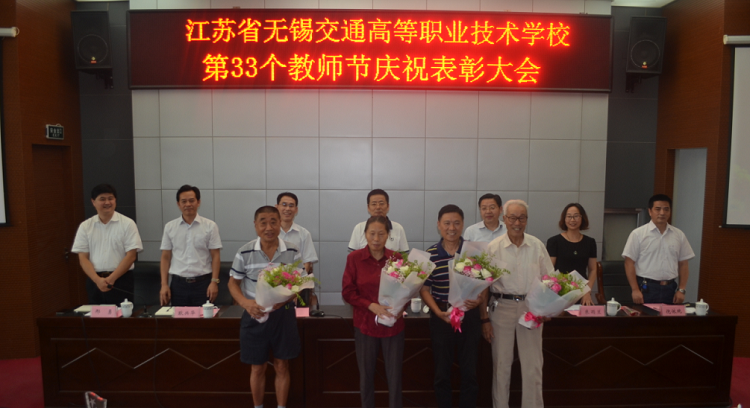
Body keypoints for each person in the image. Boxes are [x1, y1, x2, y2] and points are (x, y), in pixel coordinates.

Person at [228, 206, 302, 408]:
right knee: (257, 367)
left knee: (282, 365)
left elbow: (299, 284)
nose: (268, 227)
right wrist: (245, 303)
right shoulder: (244, 251)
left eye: (273, 222)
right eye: (263, 222)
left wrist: (285, 299)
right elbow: (232, 283)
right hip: (255, 314)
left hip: (283, 314)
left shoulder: (292, 251)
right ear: (255, 225)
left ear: (280, 224)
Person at [484, 199, 553, 408]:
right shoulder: (493, 247)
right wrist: (484, 319)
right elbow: (482, 285)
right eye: (512, 218)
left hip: (531, 309)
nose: (517, 222)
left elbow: (550, 280)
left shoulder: (536, 245)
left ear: (527, 220)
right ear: (504, 219)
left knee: (533, 366)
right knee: (501, 366)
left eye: (522, 218)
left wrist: (547, 308)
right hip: (501, 308)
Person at [420, 205, 483, 408]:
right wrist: (437, 312)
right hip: (441, 317)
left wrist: (479, 300)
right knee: (441, 372)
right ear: (439, 225)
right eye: (447, 223)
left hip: (470, 316)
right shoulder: (430, 254)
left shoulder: (473, 252)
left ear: (462, 225)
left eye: (456, 223)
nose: (452, 228)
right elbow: (424, 289)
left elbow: (484, 283)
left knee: (470, 371)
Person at [342, 216, 405, 408]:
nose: (376, 238)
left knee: (395, 377)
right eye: (372, 234)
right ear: (365, 234)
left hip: (393, 325)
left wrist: (401, 306)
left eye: (381, 234)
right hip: (365, 325)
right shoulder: (354, 258)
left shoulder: (397, 258)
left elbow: (407, 290)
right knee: (366, 377)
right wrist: (370, 305)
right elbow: (347, 292)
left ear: (388, 236)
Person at [72, 184, 143, 305]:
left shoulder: (127, 224)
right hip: (95, 281)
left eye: (110, 198)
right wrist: (97, 280)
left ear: (115, 200)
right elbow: (83, 258)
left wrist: (111, 279)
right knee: (96, 316)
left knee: (123, 315)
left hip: (121, 280)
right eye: (102, 199)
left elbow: (131, 256)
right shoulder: (85, 226)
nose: (107, 202)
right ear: (93, 202)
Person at [622, 194, 694, 304]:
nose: (662, 213)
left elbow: (683, 263)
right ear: (650, 211)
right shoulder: (638, 234)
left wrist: (681, 289)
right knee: (644, 315)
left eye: (666, 209)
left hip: (670, 288)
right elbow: (629, 263)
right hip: (646, 288)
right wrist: (635, 289)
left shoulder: (679, 235)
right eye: (658, 209)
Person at [159, 185, 222, 307]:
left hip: (203, 284)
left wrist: (214, 282)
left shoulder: (210, 226)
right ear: (178, 204)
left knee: (205, 318)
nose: (188, 204)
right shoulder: (170, 227)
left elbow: (215, 256)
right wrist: (164, 284)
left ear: (198, 202)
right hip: (178, 285)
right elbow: (165, 257)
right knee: (179, 318)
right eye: (184, 201)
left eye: (191, 200)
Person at [546, 203, 598, 305]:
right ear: (564, 219)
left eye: (576, 216)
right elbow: (550, 270)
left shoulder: (590, 242)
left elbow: (593, 269)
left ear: (582, 218)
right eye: (569, 216)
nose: (572, 220)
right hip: (559, 293)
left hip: (582, 293)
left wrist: (587, 291)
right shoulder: (554, 241)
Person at [276, 192, 318, 274]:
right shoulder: (269, 233)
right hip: (272, 279)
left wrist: (296, 279)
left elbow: (307, 262)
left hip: (297, 280)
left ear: (296, 210)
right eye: (284, 204)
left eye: (291, 205)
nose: (287, 208)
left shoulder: (304, 234)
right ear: (277, 207)